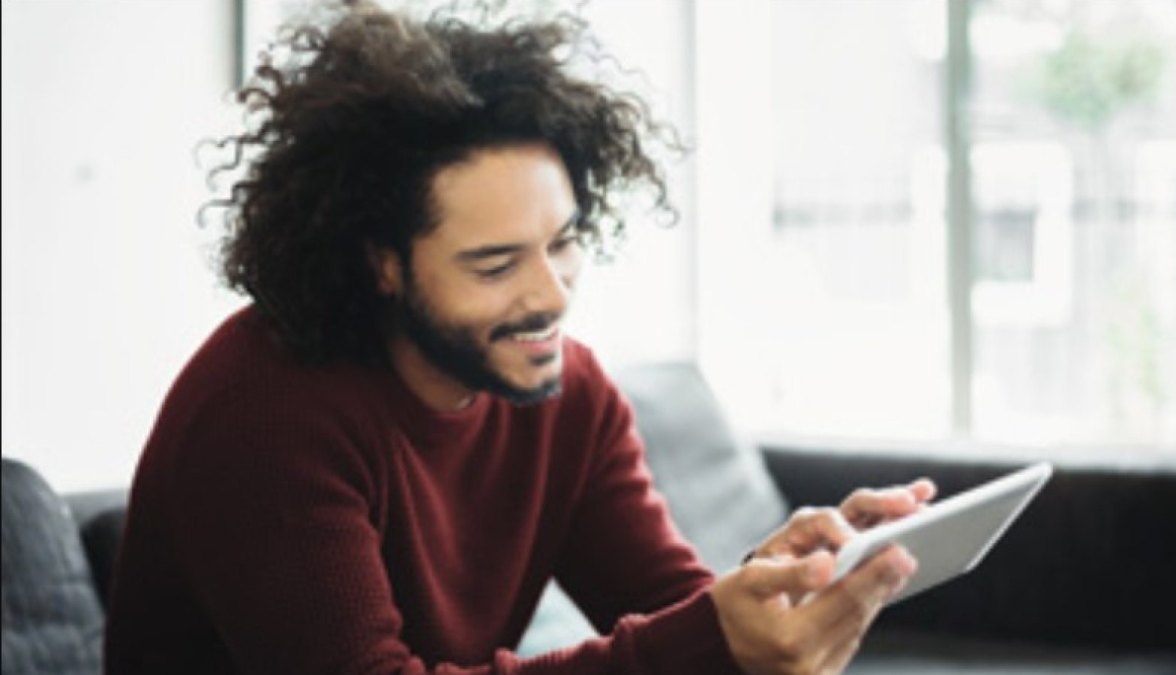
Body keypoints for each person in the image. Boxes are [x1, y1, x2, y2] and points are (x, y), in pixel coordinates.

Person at [104, 2, 935, 673]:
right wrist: (712, 637)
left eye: (563, 241)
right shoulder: (265, 415)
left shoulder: (569, 393)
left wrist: (787, 579)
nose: (551, 294)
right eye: (496, 263)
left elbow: (665, 611)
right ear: (381, 264)